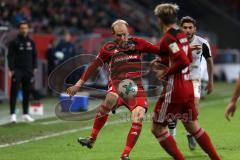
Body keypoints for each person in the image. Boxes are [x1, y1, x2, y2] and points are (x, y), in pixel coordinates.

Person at [66, 19, 159, 160]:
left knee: (138, 116)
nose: (122, 38)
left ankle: (125, 155)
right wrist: (78, 84)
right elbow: (93, 66)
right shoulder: (108, 48)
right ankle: (92, 138)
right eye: (118, 35)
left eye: (124, 34)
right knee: (111, 98)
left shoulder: (139, 43)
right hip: (117, 83)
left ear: (129, 32)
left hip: (135, 87)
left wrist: (182, 49)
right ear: (113, 34)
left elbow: (160, 50)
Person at [151, 3, 221, 160]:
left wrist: (166, 71)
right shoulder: (181, 36)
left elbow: (183, 60)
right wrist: (161, 61)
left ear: (160, 19)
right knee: (192, 126)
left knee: (157, 128)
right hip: (188, 85)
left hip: (174, 88)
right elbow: (187, 57)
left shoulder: (168, 37)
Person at [168, 16, 214, 150]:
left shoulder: (202, 42)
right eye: (185, 27)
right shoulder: (173, 42)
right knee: (173, 111)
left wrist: (210, 81)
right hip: (177, 79)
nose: (187, 30)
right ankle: (173, 139)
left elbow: (209, 62)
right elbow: (171, 59)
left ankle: (190, 133)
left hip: (194, 79)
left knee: (194, 107)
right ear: (180, 28)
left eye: (190, 27)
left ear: (195, 29)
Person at [7, 21, 37, 123]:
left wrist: (35, 68)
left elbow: (35, 56)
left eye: (25, 28)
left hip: (28, 70)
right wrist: (11, 69)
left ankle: (25, 114)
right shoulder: (14, 42)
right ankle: (13, 115)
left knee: (27, 92)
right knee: (14, 92)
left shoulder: (31, 42)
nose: (24, 29)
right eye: (22, 28)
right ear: (19, 29)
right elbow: (9, 56)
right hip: (17, 70)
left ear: (28, 29)